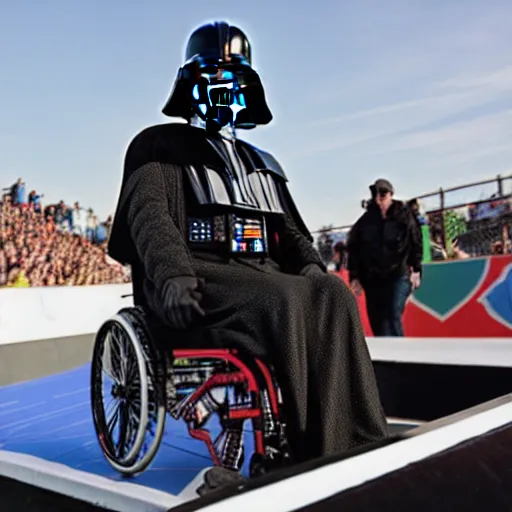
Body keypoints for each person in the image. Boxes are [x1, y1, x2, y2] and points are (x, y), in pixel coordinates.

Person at [108, 21, 387, 473]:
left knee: (333, 294)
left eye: (233, 81)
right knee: (284, 298)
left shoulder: (264, 163)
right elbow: (150, 219)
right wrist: (172, 274)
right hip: (200, 276)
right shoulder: (156, 145)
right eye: (213, 80)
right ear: (191, 86)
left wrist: (314, 267)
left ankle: (354, 437)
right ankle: (301, 450)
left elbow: (290, 231)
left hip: (263, 269)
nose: (224, 89)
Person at [347, 179, 423, 337]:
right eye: (376, 195)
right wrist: (354, 276)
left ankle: (401, 356)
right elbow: (354, 248)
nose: (379, 199)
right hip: (372, 277)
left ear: (390, 195)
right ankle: (388, 357)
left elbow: (416, 242)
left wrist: (416, 269)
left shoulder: (403, 216)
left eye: (383, 194)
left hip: (399, 273)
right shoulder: (366, 221)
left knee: (392, 312)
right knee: (378, 320)